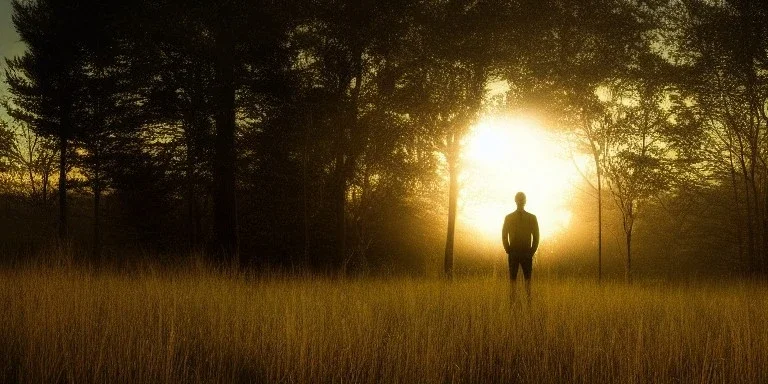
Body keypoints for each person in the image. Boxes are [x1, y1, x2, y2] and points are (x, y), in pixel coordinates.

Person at [502, 192, 539, 298]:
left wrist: (509, 250)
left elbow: (504, 235)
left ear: (515, 201)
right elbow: (536, 236)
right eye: (521, 199)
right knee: (522, 280)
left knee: (517, 280)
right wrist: (531, 251)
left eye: (521, 199)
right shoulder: (531, 218)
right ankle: (524, 303)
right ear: (525, 201)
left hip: (518, 253)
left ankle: (516, 303)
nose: (521, 201)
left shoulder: (509, 217)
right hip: (521, 252)